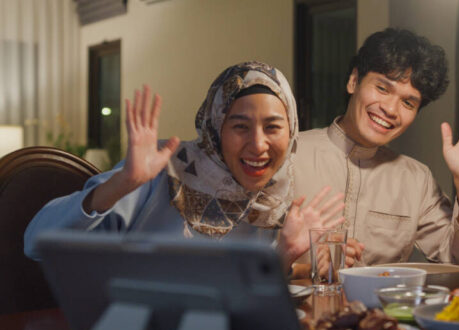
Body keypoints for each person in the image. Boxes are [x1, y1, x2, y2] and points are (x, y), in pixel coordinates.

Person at [24, 61, 344, 272]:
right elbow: (36, 242)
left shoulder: (273, 201)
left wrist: (285, 254)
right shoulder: (164, 169)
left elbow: (237, 301)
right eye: (240, 126)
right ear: (216, 129)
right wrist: (123, 182)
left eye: (273, 127)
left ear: (291, 133)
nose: (258, 145)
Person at [292, 28, 459, 275]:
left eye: (408, 102)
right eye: (383, 88)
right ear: (354, 81)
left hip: (384, 313)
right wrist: (304, 267)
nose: (390, 109)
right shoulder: (289, 154)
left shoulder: (416, 179)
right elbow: (248, 250)